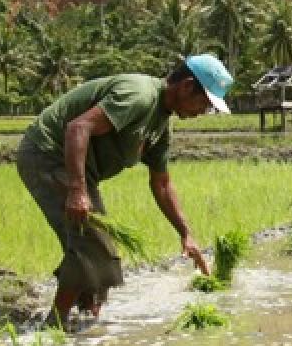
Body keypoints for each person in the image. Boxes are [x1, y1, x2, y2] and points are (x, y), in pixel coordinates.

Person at [16, 54, 234, 329]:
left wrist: (186, 234)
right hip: (47, 155)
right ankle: (53, 326)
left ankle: (85, 324)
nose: (203, 112)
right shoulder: (139, 96)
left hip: (76, 171)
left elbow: (162, 183)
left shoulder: (159, 126)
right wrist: (77, 190)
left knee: (104, 262)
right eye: (204, 103)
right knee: (95, 250)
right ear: (187, 86)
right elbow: (77, 128)